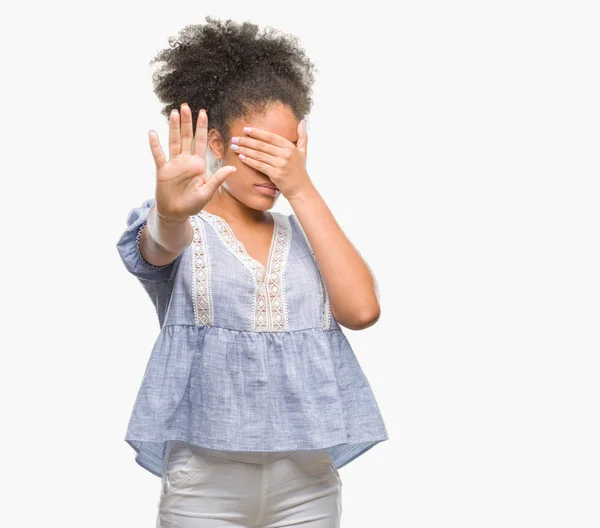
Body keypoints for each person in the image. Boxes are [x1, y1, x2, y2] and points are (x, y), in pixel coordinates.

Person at [116, 16, 388, 528]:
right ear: (215, 141)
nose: (272, 169)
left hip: (307, 483)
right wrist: (171, 213)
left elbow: (362, 310)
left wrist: (302, 189)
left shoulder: (309, 233)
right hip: (203, 483)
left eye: (284, 152)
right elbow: (156, 247)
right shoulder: (184, 227)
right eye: (255, 149)